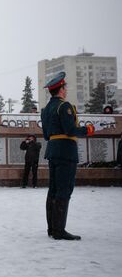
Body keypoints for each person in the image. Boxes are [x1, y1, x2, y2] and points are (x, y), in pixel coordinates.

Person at [41, 71, 103, 240]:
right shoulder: (64, 106)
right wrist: (90, 129)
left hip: (53, 150)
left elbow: (46, 134)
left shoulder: (46, 110)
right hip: (65, 151)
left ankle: (52, 228)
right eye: (65, 87)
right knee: (64, 189)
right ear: (61, 89)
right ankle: (59, 230)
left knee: (53, 190)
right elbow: (70, 130)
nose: (66, 90)